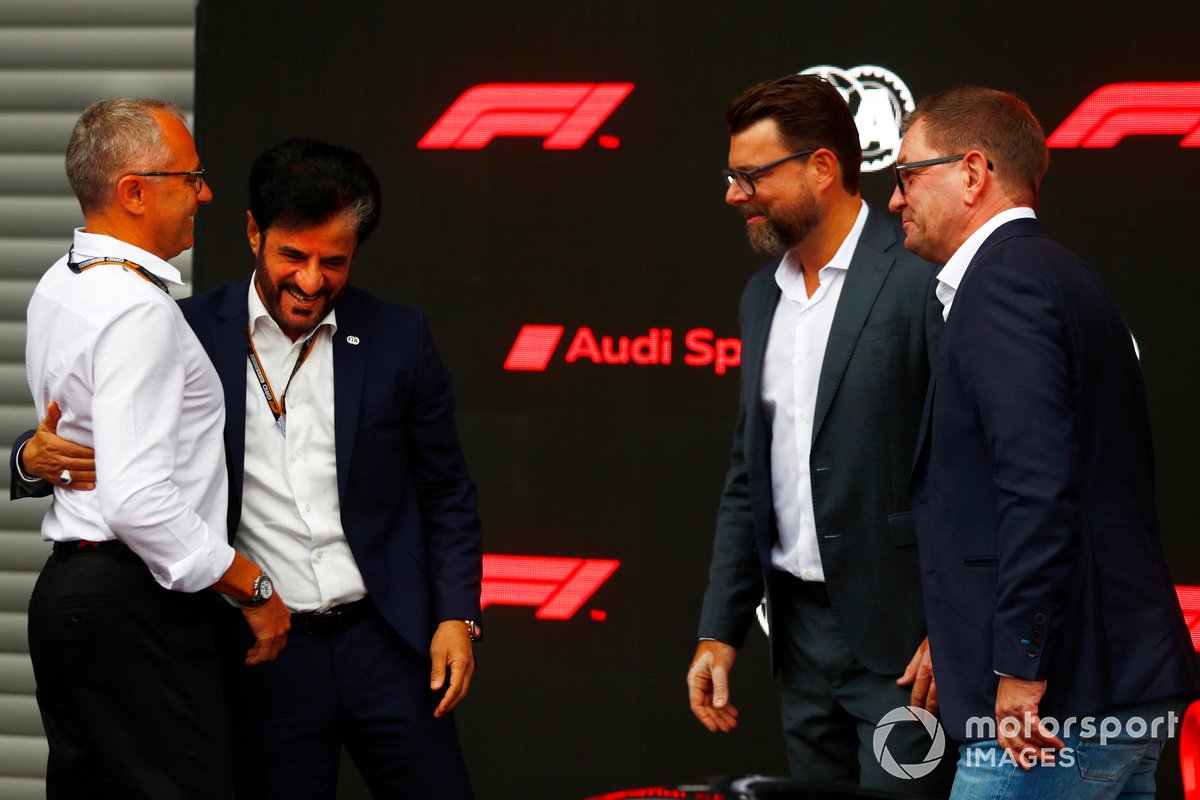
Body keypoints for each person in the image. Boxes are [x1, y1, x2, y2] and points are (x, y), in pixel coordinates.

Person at [15, 138, 483, 798]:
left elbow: (447, 492)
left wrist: (456, 616)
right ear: (253, 232)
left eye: (335, 261)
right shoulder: (181, 328)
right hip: (263, 651)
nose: (312, 280)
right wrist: (26, 460)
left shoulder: (398, 337)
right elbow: (104, 448)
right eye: (293, 255)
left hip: (390, 647)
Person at [891, 85, 1200, 797]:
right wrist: (961, 633)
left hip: (1058, 704)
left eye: (907, 175)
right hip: (1117, 688)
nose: (895, 199)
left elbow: (1038, 488)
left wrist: (1020, 665)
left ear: (972, 174)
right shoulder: (1057, 274)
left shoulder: (1003, 286)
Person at [13, 98, 290, 799]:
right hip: (134, 606)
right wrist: (252, 586)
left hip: (72, 601)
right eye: (189, 178)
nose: (206, 193)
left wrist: (28, 457)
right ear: (134, 191)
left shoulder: (61, 282)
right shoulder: (136, 309)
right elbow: (138, 501)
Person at [686, 74, 950, 795]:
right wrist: (719, 630)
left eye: (751, 175)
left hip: (906, 652)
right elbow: (751, 472)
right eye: (730, 175)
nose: (734, 194)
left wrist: (953, 624)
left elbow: (970, 463)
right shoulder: (759, 297)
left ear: (824, 168)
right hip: (798, 645)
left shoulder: (919, 278)